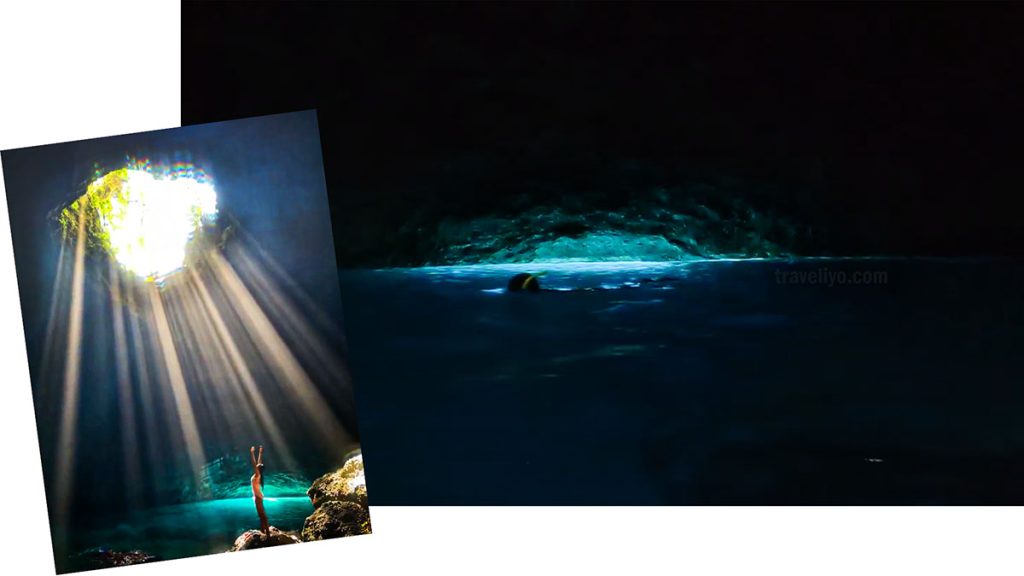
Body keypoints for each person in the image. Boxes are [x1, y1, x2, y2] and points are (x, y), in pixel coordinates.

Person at [250, 445, 269, 535]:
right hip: (258, 496)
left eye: (258, 466)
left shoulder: (257, 474)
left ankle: (268, 534)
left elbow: (255, 463)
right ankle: (263, 531)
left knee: (263, 516)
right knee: (261, 516)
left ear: (258, 469)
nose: (257, 465)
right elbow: (259, 463)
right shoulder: (259, 474)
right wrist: (260, 453)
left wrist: (252, 453)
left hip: (258, 497)